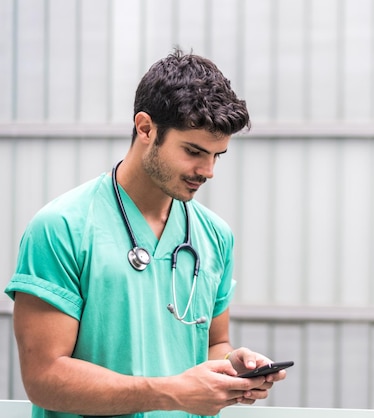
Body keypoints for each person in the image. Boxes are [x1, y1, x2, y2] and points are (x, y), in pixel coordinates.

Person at [4, 48, 286, 418]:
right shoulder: (61, 228)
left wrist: (234, 365)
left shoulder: (215, 236)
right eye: (193, 151)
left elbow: (214, 343)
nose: (208, 171)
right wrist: (170, 393)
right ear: (145, 128)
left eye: (217, 155)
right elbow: (44, 376)